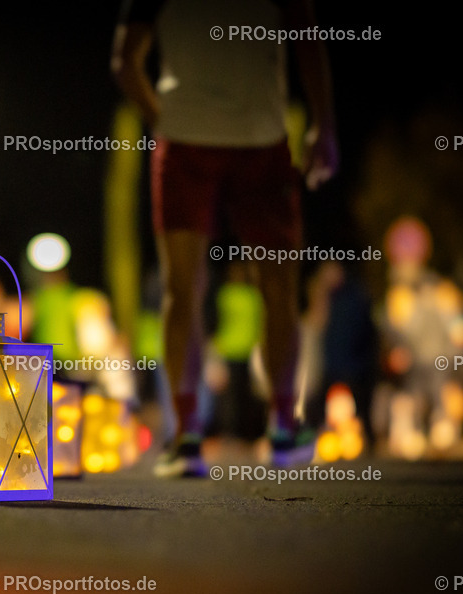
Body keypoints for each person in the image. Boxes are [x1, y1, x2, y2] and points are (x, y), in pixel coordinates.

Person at [112, 0, 339, 475]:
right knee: (278, 290)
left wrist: (164, 121)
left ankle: (187, 437)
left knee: (181, 289)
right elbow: (307, 40)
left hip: (188, 139)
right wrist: (324, 124)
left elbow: (124, 62)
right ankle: (282, 427)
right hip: (261, 134)